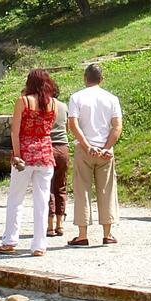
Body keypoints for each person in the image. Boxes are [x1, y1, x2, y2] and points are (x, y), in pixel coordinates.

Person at [0, 69, 57, 257]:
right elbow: (48, 129)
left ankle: (10, 240)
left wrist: (17, 155)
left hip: (26, 154)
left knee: (16, 199)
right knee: (42, 201)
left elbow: (15, 131)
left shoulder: (23, 101)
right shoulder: (53, 103)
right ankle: (39, 245)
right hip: (46, 154)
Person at [66, 63, 122, 247]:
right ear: (101, 79)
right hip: (105, 151)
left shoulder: (77, 97)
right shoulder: (111, 98)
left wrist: (87, 145)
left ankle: (82, 234)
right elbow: (117, 126)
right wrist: (106, 147)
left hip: (85, 149)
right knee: (106, 189)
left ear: (85, 78)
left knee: (82, 189)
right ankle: (108, 233)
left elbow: (73, 124)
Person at [46, 92, 69, 237]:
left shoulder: (43, 107)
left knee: (48, 187)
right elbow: (67, 128)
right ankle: (60, 224)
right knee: (61, 185)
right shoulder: (63, 106)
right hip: (63, 148)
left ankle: (49, 225)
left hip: (47, 147)